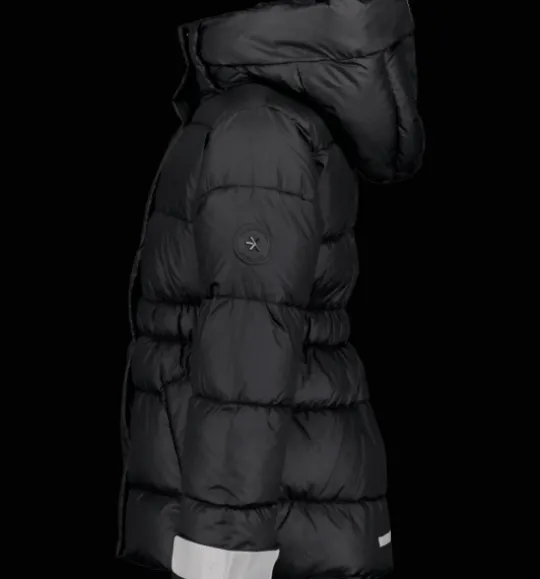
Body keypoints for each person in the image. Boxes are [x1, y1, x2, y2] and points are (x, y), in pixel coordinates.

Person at [116, 1, 424, 578]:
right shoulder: (264, 118)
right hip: (294, 508)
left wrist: (222, 558)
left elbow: (248, 352)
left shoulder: (257, 131)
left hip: (272, 530)